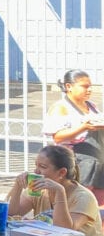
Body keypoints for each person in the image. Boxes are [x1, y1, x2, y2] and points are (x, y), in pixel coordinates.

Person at [44, 69, 104, 203]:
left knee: (99, 203)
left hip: (98, 161)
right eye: (84, 86)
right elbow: (58, 137)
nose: (89, 90)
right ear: (68, 86)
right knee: (80, 201)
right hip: (80, 162)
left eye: (90, 87)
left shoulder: (91, 106)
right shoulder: (61, 108)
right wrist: (83, 127)